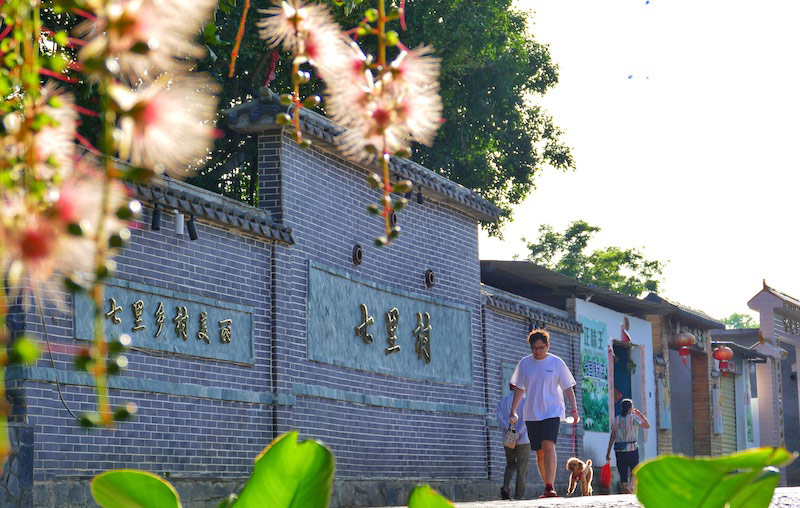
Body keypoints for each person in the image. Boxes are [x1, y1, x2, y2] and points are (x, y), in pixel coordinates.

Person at [509, 329, 579, 498]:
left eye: (540, 347)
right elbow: (519, 388)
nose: (537, 351)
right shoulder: (525, 364)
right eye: (534, 348)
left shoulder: (556, 363)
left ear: (548, 345)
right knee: (539, 451)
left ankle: (550, 486)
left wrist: (574, 408)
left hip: (552, 411)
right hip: (532, 413)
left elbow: (567, 387)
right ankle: (546, 486)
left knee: (549, 445)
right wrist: (513, 411)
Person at [605, 398, 651, 494]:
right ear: (631, 408)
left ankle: (626, 487)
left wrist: (608, 451)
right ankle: (630, 487)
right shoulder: (633, 418)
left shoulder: (616, 419)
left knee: (622, 472)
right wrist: (639, 414)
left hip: (619, 450)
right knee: (635, 469)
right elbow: (647, 425)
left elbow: (612, 436)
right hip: (632, 449)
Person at [496, 384, 530, 500]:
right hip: (523, 439)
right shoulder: (525, 401)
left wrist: (510, 430)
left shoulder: (502, 402)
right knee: (522, 467)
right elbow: (527, 419)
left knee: (510, 464)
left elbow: (500, 419)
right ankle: (518, 495)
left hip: (508, 437)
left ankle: (505, 486)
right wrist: (518, 433)